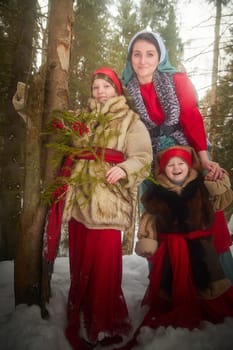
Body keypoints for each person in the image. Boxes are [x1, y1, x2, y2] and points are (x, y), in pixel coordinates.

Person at [42, 67, 153, 349]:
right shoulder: (84, 118)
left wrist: (125, 170)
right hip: (80, 202)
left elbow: (143, 157)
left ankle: (105, 323)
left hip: (108, 204)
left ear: (116, 90)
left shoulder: (131, 121)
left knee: (105, 268)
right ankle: (81, 316)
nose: (100, 92)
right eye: (96, 87)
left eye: (106, 86)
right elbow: (71, 148)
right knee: (81, 264)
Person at [122, 29, 233, 282]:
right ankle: (165, 284)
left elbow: (191, 116)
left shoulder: (176, 80)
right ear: (130, 58)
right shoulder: (125, 88)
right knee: (157, 214)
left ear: (160, 56)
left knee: (203, 210)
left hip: (185, 148)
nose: (143, 60)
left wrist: (204, 159)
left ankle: (219, 279)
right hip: (149, 157)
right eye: (137, 54)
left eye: (150, 54)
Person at [124, 145, 233, 348]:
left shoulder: (201, 187)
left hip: (201, 246)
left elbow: (221, 202)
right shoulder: (156, 194)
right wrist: (149, 239)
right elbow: (149, 220)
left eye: (181, 163)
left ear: (189, 165)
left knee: (208, 278)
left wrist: (219, 182)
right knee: (172, 281)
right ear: (163, 169)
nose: (176, 168)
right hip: (171, 252)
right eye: (170, 164)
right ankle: (175, 308)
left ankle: (208, 309)